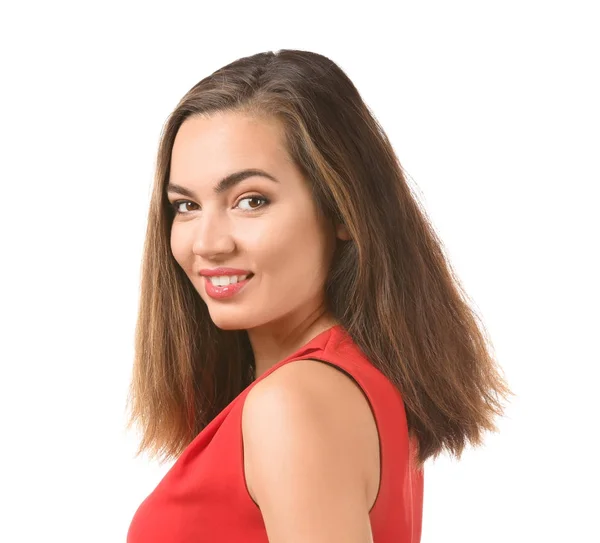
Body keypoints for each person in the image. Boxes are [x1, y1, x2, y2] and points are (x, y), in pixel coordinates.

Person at [125, 49, 510, 543]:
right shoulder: (347, 384)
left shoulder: (293, 404)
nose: (207, 243)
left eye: (251, 200)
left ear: (344, 212)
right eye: (186, 205)